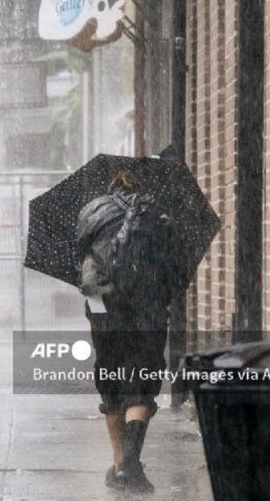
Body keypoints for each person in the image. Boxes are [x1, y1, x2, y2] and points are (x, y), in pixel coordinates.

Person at [76, 170, 183, 494]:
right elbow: (176, 268)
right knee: (142, 383)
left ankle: (121, 460)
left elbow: (79, 253)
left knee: (111, 380)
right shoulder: (160, 214)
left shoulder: (94, 210)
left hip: (103, 307)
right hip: (146, 308)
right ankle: (130, 466)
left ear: (112, 186)